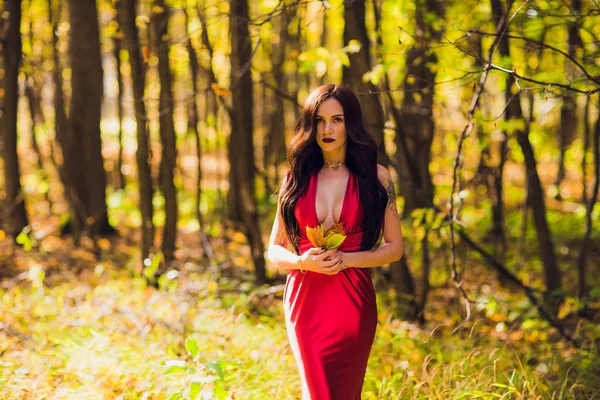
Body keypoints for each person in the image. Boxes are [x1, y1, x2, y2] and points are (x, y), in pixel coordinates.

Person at [266, 83, 404, 399]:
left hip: (352, 303)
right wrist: (302, 262)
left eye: (337, 120)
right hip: (305, 303)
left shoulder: (377, 178)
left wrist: (348, 259)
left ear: (350, 124)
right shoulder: (294, 177)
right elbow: (273, 249)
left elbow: (394, 248)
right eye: (319, 120)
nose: (327, 129)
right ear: (310, 124)